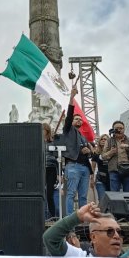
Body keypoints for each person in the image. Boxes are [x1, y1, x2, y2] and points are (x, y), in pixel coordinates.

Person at [43, 202, 124, 258]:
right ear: (93, 237)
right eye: (110, 231)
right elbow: (50, 239)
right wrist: (77, 217)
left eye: (120, 232)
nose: (117, 236)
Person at [62, 86, 93, 215]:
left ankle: (83, 220)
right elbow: (69, 115)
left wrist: (89, 152)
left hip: (85, 167)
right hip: (73, 166)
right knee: (70, 193)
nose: (79, 120)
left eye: (80, 119)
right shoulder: (68, 131)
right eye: (77, 119)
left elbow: (92, 154)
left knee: (83, 197)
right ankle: (70, 219)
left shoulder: (83, 137)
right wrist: (72, 97)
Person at [103, 121, 129, 193]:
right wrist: (110, 152)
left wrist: (128, 147)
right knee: (115, 194)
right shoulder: (109, 141)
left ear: (124, 129)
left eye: (121, 128)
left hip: (128, 169)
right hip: (114, 170)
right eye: (117, 128)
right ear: (113, 129)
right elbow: (103, 156)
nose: (119, 130)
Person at [43, 123, 59, 219]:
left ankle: (52, 216)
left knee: (49, 194)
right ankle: (43, 216)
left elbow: (57, 158)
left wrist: (58, 174)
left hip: (51, 169)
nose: (42, 131)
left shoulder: (53, 142)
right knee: (41, 194)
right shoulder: (37, 142)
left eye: (44, 129)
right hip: (40, 169)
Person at [91, 134, 110, 203]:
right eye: (102, 139)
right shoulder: (96, 153)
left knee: (113, 200)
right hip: (100, 179)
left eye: (105, 139)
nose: (103, 141)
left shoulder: (112, 152)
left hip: (112, 179)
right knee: (102, 201)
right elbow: (92, 167)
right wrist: (92, 179)